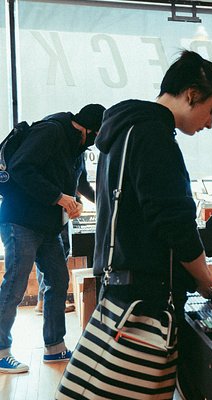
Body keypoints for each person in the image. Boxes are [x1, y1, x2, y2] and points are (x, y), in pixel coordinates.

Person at [63, 50, 212, 394]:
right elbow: (174, 222)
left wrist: (206, 287)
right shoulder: (153, 135)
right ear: (191, 94)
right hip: (144, 306)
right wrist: (205, 274)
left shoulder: (124, 129)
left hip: (120, 295)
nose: (209, 123)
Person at [0, 103, 105, 373]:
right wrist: (59, 197)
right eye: (95, 137)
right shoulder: (50, 132)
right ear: (88, 130)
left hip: (48, 224)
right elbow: (20, 167)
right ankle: (1, 350)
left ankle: (54, 346)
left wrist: (101, 203)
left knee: (58, 280)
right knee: (15, 285)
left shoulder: (76, 146)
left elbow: (78, 183)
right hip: (20, 219)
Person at [34, 161, 94, 315]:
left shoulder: (79, 151)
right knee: (55, 256)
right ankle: (45, 301)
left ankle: (44, 300)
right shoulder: (62, 145)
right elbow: (82, 185)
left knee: (58, 254)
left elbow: (81, 184)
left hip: (65, 210)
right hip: (51, 209)